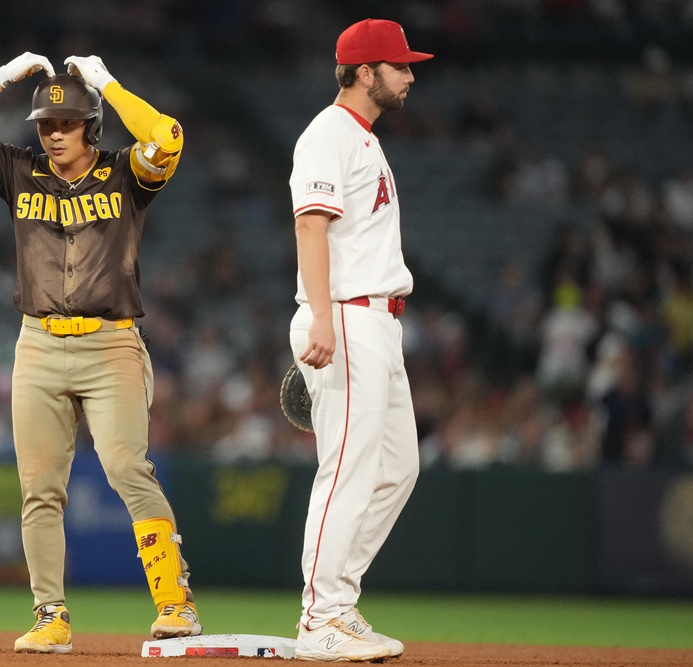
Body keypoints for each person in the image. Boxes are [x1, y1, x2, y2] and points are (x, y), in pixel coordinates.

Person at [0, 51, 200, 654]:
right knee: (39, 486)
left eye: (67, 124)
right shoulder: (21, 170)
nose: (53, 134)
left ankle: (173, 603)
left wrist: (105, 80)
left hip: (110, 345)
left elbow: (168, 135)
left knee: (129, 469)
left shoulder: (127, 172)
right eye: (45, 125)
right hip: (37, 343)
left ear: (92, 126)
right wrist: (5, 77)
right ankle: (50, 614)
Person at [287, 19, 433, 662]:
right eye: (399, 65)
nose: (409, 74)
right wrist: (321, 316)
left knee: (399, 468)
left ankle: (339, 601)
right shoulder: (328, 133)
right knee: (346, 469)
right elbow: (311, 228)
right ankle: (320, 615)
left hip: (376, 319)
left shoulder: (362, 139)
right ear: (365, 71)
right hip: (344, 314)